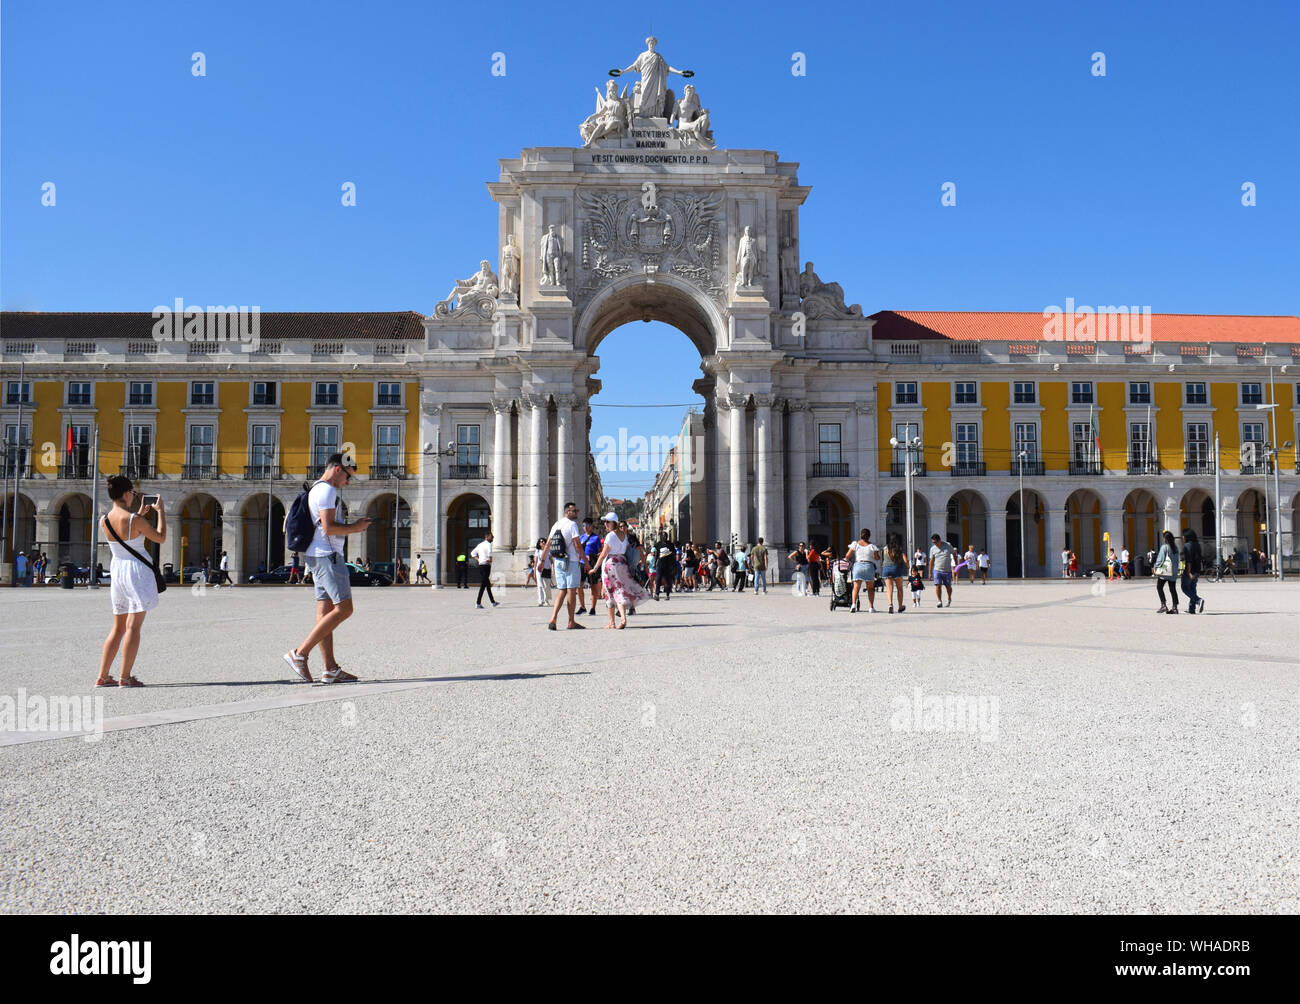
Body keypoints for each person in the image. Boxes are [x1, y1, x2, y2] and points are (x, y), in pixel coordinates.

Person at [283, 453, 370, 685]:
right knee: (344, 609)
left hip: (317, 556)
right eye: (348, 476)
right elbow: (329, 528)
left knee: (324, 614)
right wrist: (357, 527)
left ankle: (330, 669)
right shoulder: (327, 491)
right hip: (327, 557)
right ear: (338, 469)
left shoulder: (316, 489)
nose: (348, 482)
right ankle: (299, 653)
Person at [95, 476, 166, 687]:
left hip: (117, 570)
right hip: (136, 571)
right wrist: (161, 512)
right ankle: (125, 677)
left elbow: (125, 531)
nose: (133, 496)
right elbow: (160, 537)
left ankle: (103, 675)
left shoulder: (104, 519)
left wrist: (139, 515)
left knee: (117, 628)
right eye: (133, 493)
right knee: (133, 627)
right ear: (127, 494)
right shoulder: (136, 520)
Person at [592, 512, 651, 629]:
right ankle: (622, 618)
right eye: (604, 522)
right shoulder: (624, 536)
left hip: (611, 565)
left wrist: (595, 568)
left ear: (614, 523)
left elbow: (604, 554)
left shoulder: (610, 536)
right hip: (622, 563)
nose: (605, 524)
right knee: (620, 591)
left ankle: (612, 622)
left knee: (610, 592)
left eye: (607, 522)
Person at [541, 501, 588, 631]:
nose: (577, 513)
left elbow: (548, 544)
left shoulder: (556, 524)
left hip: (558, 561)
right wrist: (586, 562)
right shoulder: (572, 524)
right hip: (571, 561)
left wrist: (541, 561)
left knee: (561, 591)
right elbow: (577, 545)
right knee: (571, 590)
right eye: (575, 511)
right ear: (567, 512)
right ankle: (571, 622)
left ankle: (553, 618)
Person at [844, 528, 880, 613]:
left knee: (856, 587)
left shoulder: (855, 544)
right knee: (870, 588)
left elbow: (847, 556)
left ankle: (853, 605)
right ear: (869, 536)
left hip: (858, 566)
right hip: (868, 566)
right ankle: (871, 607)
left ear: (861, 535)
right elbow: (877, 558)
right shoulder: (872, 546)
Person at [579, 520, 604, 616]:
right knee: (579, 585)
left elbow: (600, 552)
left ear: (591, 526)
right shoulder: (581, 537)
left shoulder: (596, 538)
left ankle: (593, 608)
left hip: (592, 564)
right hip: (581, 563)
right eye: (583, 525)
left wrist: (592, 556)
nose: (585, 527)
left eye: (587, 525)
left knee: (593, 586)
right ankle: (582, 606)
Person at [1153, 529, 1180, 614]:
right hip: (1173, 572)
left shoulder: (1164, 547)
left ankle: (1163, 605)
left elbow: (1160, 559)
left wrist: (1155, 567)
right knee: (1173, 589)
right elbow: (1177, 561)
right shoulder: (1176, 548)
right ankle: (1175, 607)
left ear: (1165, 539)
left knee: (1159, 587)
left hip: (1165, 571)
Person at [1180, 528, 1205, 614]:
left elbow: (1189, 560)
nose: (1182, 537)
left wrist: (1189, 572)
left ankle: (1198, 600)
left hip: (1190, 570)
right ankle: (1191, 608)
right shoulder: (1197, 545)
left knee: (1184, 587)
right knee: (1192, 588)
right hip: (1197, 570)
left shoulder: (1187, 545)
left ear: (1187, 536)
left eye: (1183, 535)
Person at [881, 536, 908, 614]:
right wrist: (907, 566)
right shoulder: (899, 548)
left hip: (886, 568)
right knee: (899, 589)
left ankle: (890, 604)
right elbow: (905, 560)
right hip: (896, 568)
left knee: (889, 588)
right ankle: (900, 607)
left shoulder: (885, 548)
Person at [928, 534, 956, 608]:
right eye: (933, 542)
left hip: (947, 570)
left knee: (948, 587)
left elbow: (954, 553)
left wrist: (955, 564)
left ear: (939, 540)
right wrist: (930, 573)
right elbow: (931, 561)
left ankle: (949, 598)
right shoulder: (932, 549)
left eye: (936, 542)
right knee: (938, 586)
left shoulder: (948, 545)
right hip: (937, 570)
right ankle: (939, 601)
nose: (935, 544)